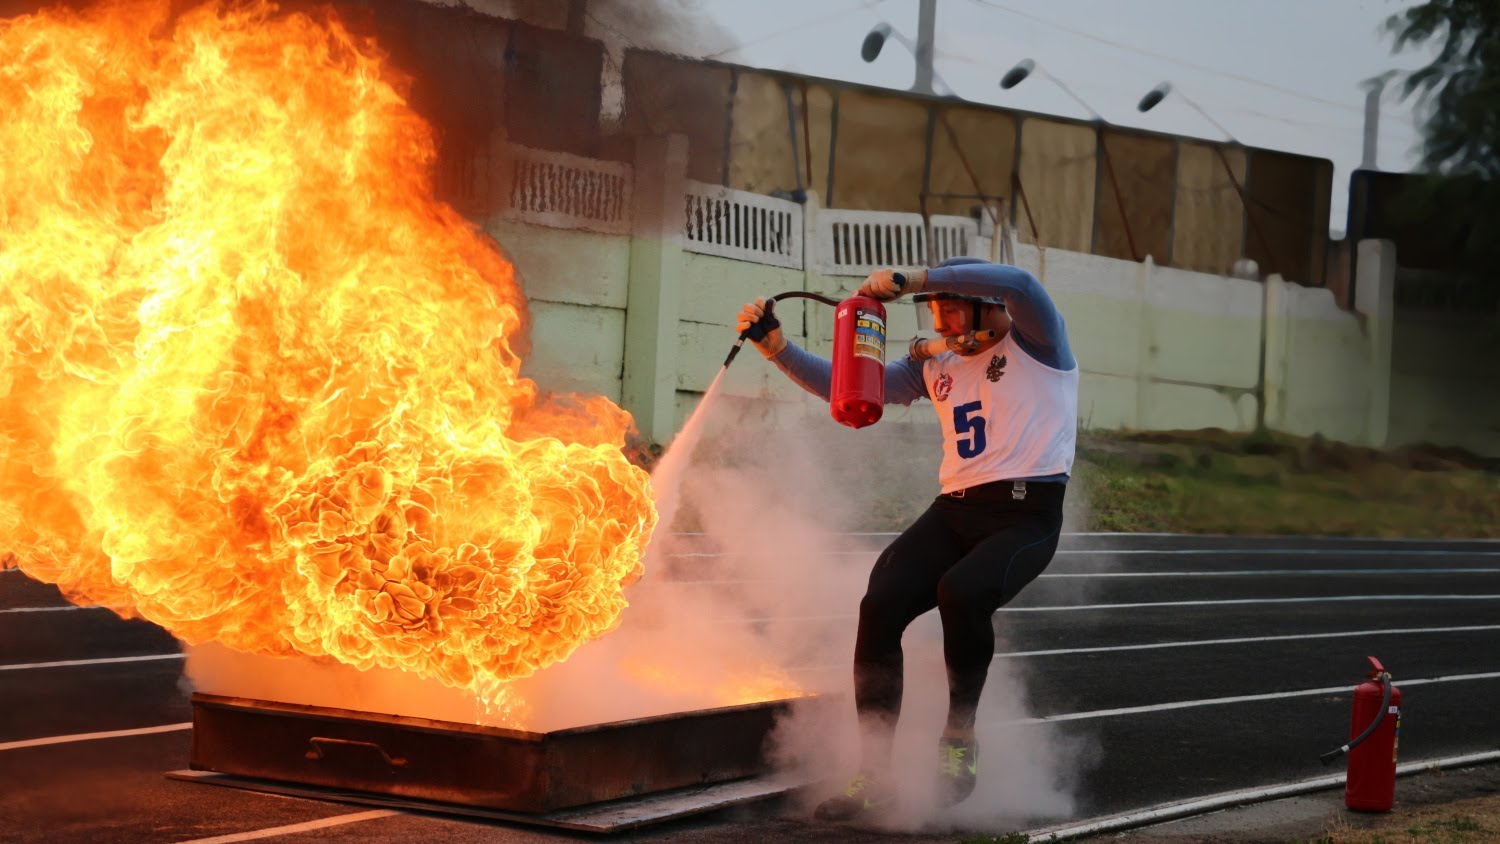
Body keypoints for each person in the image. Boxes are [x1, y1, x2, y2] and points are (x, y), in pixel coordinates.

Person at [735, 257, 1079, 819]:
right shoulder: (934, 364)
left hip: (1025, 513)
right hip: (954, 508)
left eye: (950, 307)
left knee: (962, 593)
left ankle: (959, 739)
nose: (941, 324)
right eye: (935, 311)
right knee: (880, 604)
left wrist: (916, 278)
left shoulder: (1038, 340)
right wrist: (776, 347)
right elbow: (852, 388)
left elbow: (1021, 283)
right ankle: (873, 771)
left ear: (985, 305)